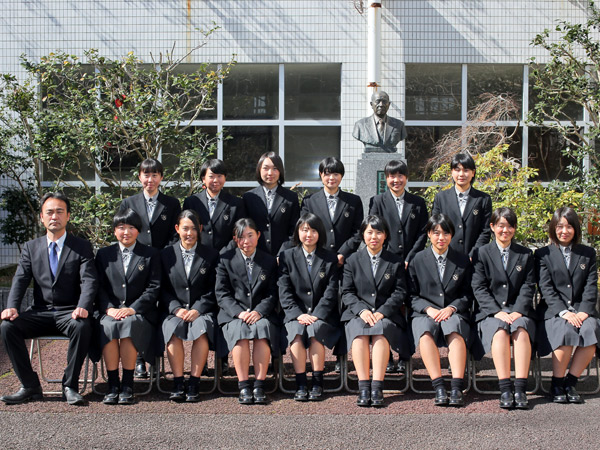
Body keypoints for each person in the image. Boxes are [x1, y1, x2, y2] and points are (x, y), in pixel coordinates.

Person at [0, 192, 98, 405]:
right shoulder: (31, 247)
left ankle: (69, 386)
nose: (55, 216)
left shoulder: (81, 246)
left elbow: (89, 280)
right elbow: (20, 279)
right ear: (42, 218)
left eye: (59, 212)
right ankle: (30, 386)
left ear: (68, 216)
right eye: (49, 212)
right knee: (7, 327)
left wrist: (83, 306)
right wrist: (12, 307)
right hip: (40, 312)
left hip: (70, 312)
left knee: (82, 326)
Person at [118, 157, 181, 379]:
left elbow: (176, 235)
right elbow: (123, 232)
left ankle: (156, 357)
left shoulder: (172, 204)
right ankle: (139, 360)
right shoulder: (129, 203)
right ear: (139, 177)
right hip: (137, 266)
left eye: (155, 175)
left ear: (161, 178)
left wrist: (161, 255)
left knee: (160, 310)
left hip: (165, 263)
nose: (150, 179)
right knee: (140, 308)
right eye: (146, 174)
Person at [301, 157, 363, 372]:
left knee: (344, 306)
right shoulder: (309, 201)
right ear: (321, 175)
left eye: (335, 173)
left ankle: (341, 355)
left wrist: (342, 253)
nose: (331, 177)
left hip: (345, 263)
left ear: (341, 176)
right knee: (324, 304)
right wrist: (326, 254)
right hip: (320, 262)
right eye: (327, 173)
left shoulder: (353, 201)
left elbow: (358, 233)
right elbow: (305, 231)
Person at [341, 215, 410, 407]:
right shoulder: (352, 260)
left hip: (386, 314)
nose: (374, 237)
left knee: (381, 332)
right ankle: (364, 386)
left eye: (379, 232)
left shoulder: (395, 261)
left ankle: (378, 385)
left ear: (385, 235)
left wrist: (383, 311)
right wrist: (361, 310)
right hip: (358, 313)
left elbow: (400, 292)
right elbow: (346, 292)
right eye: (370, 232)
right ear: (363, 235)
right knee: (359, 334)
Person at [94, 209, 161, 405]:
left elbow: (154, 287)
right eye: (121, 227)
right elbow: (98, 286)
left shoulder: (150, 254)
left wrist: (133, 308)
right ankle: (113, 384)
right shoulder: (104, 254)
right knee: (108, 326)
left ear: (138, 231)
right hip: (111, 311)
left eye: (131, 227)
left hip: (139, 313)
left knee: (129, 325)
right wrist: (108, 309)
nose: (126, 232)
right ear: (114, 231)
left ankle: (128, 384)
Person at [472, 207, 536, 409]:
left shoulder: (525, 254)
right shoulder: (482, 253)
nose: (505, 230)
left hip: (518, 310)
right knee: (500, 332)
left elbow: (528, 286)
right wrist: (495, 311)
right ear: (492, 227)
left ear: (514, 229)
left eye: (509, 226)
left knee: (521, 331)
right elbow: (478, 286)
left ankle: (520, 387)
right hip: (491, 312)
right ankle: (505, 388)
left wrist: (518, 310)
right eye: (501, 226)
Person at [369, 159, 428, 373]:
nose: (396, 180)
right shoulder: (377, 201)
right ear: (386, 179)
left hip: (412, 265)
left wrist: (410, 258)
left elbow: (423, 233)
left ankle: (405, 355)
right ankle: (386, 356)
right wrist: (391, 259)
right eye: (392, 176)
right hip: (387, 265)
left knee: (408, 309)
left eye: (400, 175)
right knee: (388, 307)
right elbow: (374, 231)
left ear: (406, 177)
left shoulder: (418, 203)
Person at [535, 207, 599, 404]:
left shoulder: (587, 253)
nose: (564, 231)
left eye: (569, 226)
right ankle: (556, 382)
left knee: (591, 329)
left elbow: (590, 287)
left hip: (581, 310)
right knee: (564, 330)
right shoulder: (542, 254)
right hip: (554, 310)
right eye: (560, 226)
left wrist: (583, 312)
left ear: (576, 229)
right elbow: (545, 288)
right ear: (553, 228)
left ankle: (571, 382)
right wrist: (563, 311)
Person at [408, 214, 472, 407]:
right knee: (425, 333)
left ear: (452, 235)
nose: (441, 237)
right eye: (436, 233)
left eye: (446, 233)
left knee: (455, 331)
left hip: (453, 311)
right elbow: (410, 295)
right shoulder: (417, 260)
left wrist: (453, 308)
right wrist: (427, 309)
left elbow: (468, 294)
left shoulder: (462, 260)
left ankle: (456, 386)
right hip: (425, 312)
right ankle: (439, 386)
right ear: (429, 234)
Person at [215, 218, 280, 404]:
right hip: (234, 314)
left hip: (262, 313)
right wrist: (239, 312)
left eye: (250, 235)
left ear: (258, 235)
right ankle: (243, 385)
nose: (246, 241)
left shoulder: (268, 261)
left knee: (262, 331)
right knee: (239, 333)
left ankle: (259, 385)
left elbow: (273, 293)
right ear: (235, 239)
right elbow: (221, 293)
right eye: (241, 237)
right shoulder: (225, 259)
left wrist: (259, 311)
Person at [278, 213, 341, 401]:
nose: (309, 235)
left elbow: (331, 291)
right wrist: (298, 314)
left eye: (313, 230)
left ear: (319, 233)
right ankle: (300, 382)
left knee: (315, 333)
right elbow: (284, 289)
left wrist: (317, 314)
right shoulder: (287, 256)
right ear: (298, 232)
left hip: (321, 315)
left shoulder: (329, 258)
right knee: (296, 335)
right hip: (295, 314)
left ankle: (317, 381)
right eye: (305, 230)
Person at [160, 210, 219, 402]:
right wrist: (176, 308)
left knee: (201, 330)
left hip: (200, 310)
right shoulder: (165, 254)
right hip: (174, 310)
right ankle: (178, 381)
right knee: (173, 329)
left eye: (194, 229)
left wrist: (198, 309)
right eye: (185, 228)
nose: (189, 233)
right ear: (177, 229)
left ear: (200, 229)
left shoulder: (210, 255)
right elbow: (160, 288)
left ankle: (194, 381)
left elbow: (215, 289)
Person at [431, 153, 492, 260]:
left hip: (474, 259)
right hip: (447, 257)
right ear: (452, 172)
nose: (461, 174)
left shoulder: (483, 199)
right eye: (457, 170)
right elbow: (436, 228)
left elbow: (485, 231)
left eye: (466, 170)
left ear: (473, 173)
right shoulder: (441, 198)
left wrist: (474, 253)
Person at [242, 152, 300, 257]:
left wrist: (282, 254)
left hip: (283, 257)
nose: (270, 173)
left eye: (275, 168)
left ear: (280, 171)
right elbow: (244, 228)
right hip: (255, 256)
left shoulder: (291, 198)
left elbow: (294, 231)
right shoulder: (249, 197)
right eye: (266, 168)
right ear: (259, 170)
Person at [183, 158, 246, 253]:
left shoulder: (236, 203)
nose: (215, 180)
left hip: (227, 257)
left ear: (225, 178)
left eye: (220, 176)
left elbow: (240, 232)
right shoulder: (191, 202)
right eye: (211, 176)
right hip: (198, 255)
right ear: (203, 179)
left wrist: (225, 252)